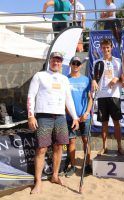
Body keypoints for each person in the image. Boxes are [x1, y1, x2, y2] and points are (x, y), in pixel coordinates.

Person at [27, 52, 79, 194]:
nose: (56, 62)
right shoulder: (39, 76)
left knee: (58, 147)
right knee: (41, 149)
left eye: (59, 60)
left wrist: (74, 117)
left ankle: (54, 176)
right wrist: (31, 116)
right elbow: (31, 95)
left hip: (60, 117)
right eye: (54, 59)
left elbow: (69, 99)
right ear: (50, 60)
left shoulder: (64, 79)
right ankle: (38, 182)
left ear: (62, 63)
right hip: (43, 117)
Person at [92, 38, 124, 155]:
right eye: (104, 47)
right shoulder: (97, 62)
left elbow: (123, 78)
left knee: (116, 122)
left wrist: (117, 78)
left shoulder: (118, 61)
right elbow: (94, 78)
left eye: (108, 47)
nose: (106, 49)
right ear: (101, 48)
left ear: (111, 48)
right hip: (101, 96)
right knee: (104, 123)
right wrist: (93, 81)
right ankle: (104, 146)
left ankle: (119, 146)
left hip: (114, 95)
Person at [64, 56, 92, 178]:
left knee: (86, 140)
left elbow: (91, 99)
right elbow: (64, 101)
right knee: (72, 141)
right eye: (74, 63)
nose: (76, 65)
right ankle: (73, 166)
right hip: (71, 118)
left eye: (78, 63)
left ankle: (88, 165)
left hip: (84, 117)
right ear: (70, 64)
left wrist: (86, 113)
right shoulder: (65, 80)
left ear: (81, 65)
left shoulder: (86, 80)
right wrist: (73, 116)